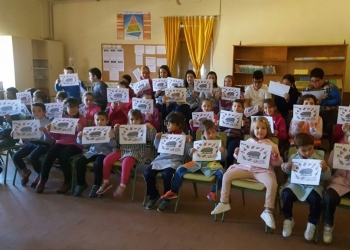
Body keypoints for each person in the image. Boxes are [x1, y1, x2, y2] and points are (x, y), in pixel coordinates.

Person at [211, 117, 282, 230]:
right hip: (245, 168)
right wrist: (237, 153)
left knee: (272, 183)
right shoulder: (248, 142)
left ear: (267, 130)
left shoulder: (272, 145)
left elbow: (277, 163)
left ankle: (268, 210)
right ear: (253, 129)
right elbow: (241, 159)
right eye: (257, 128)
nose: (260, 130)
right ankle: (224, 202)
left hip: (263, 171)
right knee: (227, 175)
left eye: (263, 128)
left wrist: (275, 156)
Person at [161, 120, 227, 203]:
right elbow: (192, 155)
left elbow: (223, 158)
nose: (211, 135)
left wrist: (223, 151)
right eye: (208, 133)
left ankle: (212, 192)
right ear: (202, 134)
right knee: (180, 169)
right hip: (197, 163)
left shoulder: (218, 143)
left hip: (211, 164)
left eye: (213, 132)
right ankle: (173, 191)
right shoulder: (198, 143)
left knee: (222, 174)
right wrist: (191, 151)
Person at [280, 133, 330, 240]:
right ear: (297, 149)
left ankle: (312, 222)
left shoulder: (319, 159)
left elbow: (327, 177)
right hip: (296, 184)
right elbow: (285, 169)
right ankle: (288, 219)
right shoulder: (293, 157)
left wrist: (325, 169)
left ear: (313, 146)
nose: (308, 153)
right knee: (286, 194)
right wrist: (286, 166)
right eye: (303, 150)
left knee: (316, 199)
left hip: (313, 186)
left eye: (310, 149)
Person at [97, 109, 156, 197]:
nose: (134, 122)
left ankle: (122, 185)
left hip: (136, 151)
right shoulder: (125, 127)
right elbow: (117, 141)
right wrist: (116, 131)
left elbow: (152, 139)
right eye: (132, 119)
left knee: (126, 162)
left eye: (136, 119)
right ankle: (106, 182)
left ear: (140, 120)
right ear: (128, 120)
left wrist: (152, 129)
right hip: (123, 149)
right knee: (107, 160)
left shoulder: (144, 128)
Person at [35, 98, 87, 194]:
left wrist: (79, 129)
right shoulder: (60, 118)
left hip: (76, 144)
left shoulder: (82, 119)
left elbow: (83, 138)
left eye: (75, 106)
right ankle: (42, 180)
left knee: (64, 157)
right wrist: (50, 130)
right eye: (70, 107)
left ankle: (68, 182)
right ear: (65, 108)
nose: (73, 109)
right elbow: (56, 137)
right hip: (60, 142)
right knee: (49, 155)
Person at [143, 112, 192, 212]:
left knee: (167, 175)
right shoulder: (165, 135)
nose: (167, 125)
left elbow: (188, 153)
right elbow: (158, 148)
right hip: (161, 159)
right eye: (167, 123)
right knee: (147, 173)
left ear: (178, 125)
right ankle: (154, 195)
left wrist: (188, 142)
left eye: (170, 123)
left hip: (175, 161)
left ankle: (167, 198)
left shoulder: (184, 137)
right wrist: (157, 139)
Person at [73, 111, 116, 197]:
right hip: (92, 152)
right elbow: (85, 144)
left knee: (98, 164)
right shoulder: (91, 130)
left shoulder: (110, 131)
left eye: (102, 120)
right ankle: (81, 184)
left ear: (107, 121)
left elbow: (114, 145)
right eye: (97, 120)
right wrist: (79, 137)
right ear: (94, 121)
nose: (99, 122)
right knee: (79, 162)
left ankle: (97, 185)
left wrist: (112, 138)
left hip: (104, 153)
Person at [11, 103, 55, 187]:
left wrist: (45, 131)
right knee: (16, 156)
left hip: (43, 144)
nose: (36, 113)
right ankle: (26, 171)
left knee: (33, 156)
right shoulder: (30, 123)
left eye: (39, 111)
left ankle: (40, 175)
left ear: (44, 112)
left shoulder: (48, 123)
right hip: (32, 143)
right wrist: (17, 134)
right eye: (34, 111)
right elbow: (28, 139)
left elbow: (49, 141)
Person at [323, 130, 350, 243]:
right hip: (339, 183)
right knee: (329, 197)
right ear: (347, 138)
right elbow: (329, 171)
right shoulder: (337, 151)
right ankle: (329, 224)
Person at [303, 68, 341, 141]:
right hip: (312, 112)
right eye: (312, 81)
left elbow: (338, 100)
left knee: (330, 125)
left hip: (328, 112)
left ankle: (331, 143)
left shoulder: (332, 87)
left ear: (322, 79)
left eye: (317, 81)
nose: (314, 83)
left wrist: (323, 102)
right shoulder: (308, 88)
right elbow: (302, 99)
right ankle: (308, 142)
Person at [219, 99, 250, 167]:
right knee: (220, 152)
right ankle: (220, 167)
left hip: (235, 138)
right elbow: (220, 129)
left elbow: (247, 132)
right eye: (234, 106)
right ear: (232, 107)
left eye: (239, 106)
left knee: (230, 153)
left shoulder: (245, 119)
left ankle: (228, 167)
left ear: (242, 108)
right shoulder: (226, 115)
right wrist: (219, 124)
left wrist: (243, 126)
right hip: (224, 137)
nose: (236, 108)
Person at [0, 87, 20, 165]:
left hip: (11, 136)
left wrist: (9, 119)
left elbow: (17, 127)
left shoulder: (17, 109)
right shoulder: (4, 106)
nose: (7, 96)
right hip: (3, 133)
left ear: (15, 96)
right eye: (6, 94)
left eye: (9, 94)